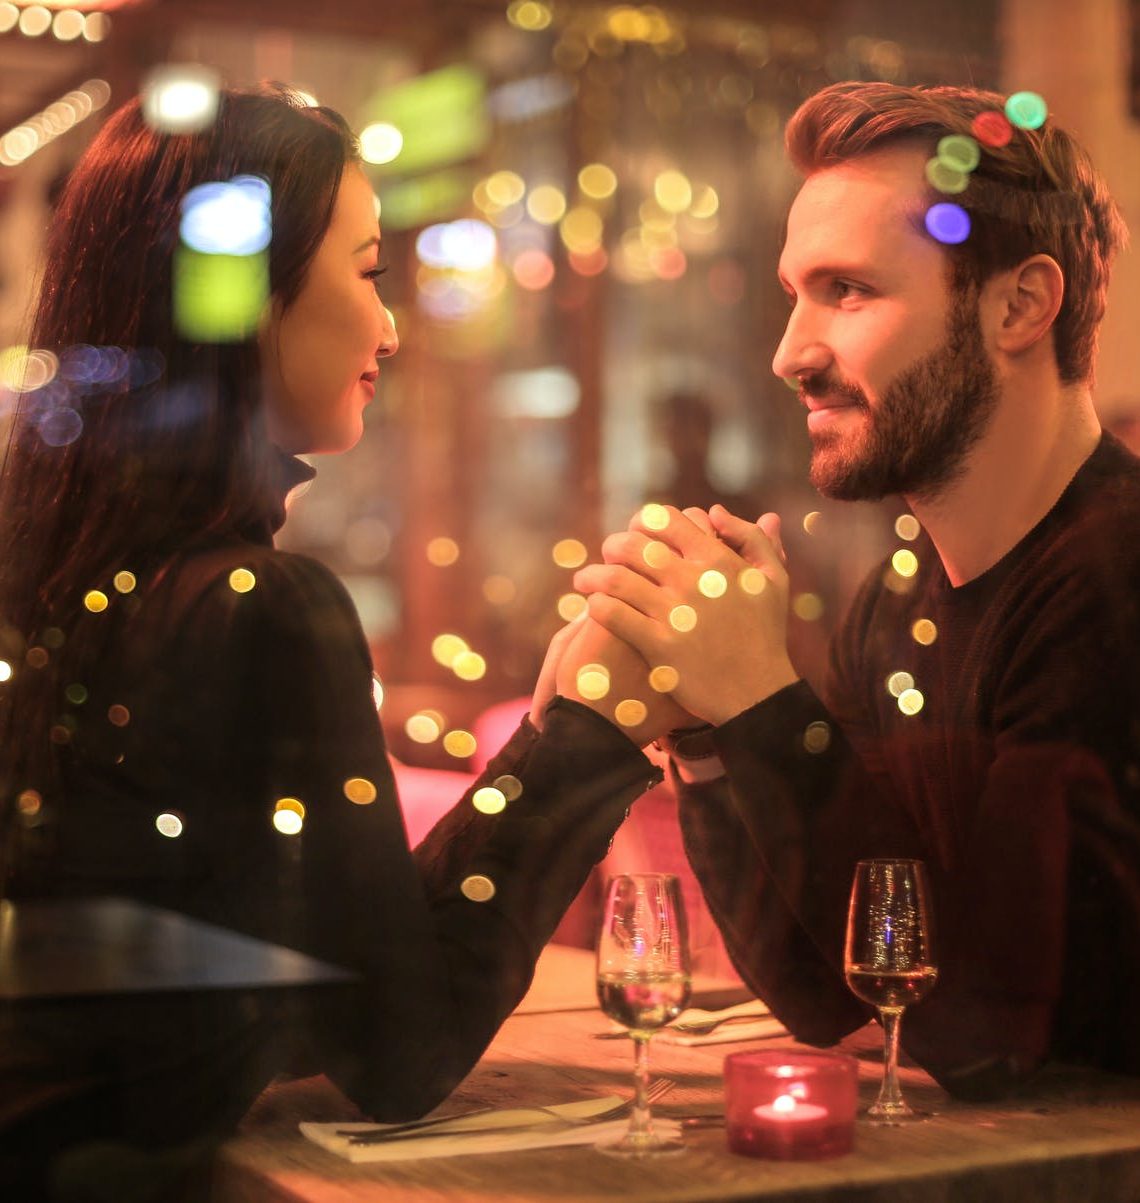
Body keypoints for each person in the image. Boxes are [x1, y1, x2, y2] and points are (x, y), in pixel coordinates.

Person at [0, 86, 678, 1199]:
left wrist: (552, 738)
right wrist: (590, 734)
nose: (393, 324)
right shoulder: (259, 609)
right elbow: (396, 1050)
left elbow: (327, 981)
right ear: (250, 302)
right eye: (367, 272)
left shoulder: (66, 583)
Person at [563, 81, 1140, 1099]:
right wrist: (704, 735)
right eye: (797, 294)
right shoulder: (898, 600)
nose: (792, 353)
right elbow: (833, 995)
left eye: (849, 291)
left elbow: (994, 1036)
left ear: (1019, 306)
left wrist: (761, 701)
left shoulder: (1116, 580)